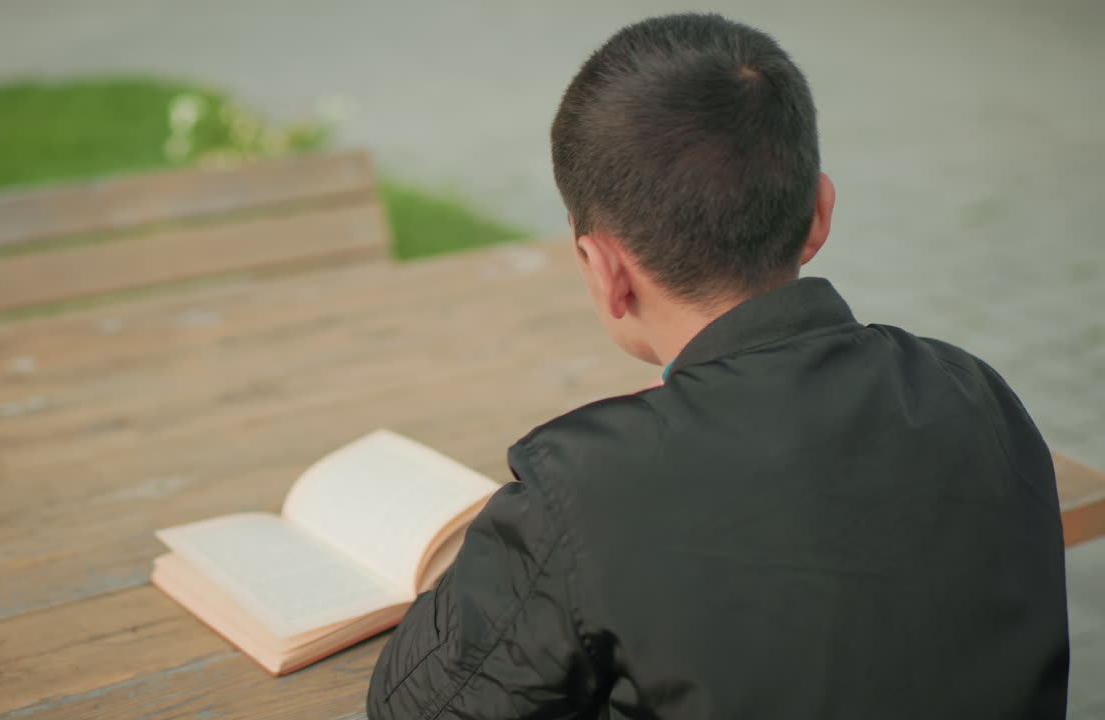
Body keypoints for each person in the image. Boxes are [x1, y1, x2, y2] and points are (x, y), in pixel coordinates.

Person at [365, 13, 1069, 720]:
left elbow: (410, 706)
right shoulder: (974, 393)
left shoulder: (586, 486)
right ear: (819, 214)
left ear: (604, 269)